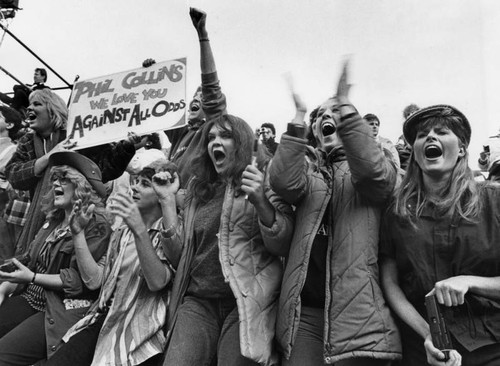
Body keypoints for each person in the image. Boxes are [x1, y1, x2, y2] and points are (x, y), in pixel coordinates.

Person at [163, 8, 294, 366]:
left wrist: (260, 202)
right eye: (210, 137)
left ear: (242, 142)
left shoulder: (261, 179)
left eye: (225, 135)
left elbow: (282, 243)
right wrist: (165, 206)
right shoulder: (196, 191)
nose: (214, 141)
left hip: (246, 301)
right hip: (197, 302)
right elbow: (179, 258)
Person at [269, 62, 401, 365]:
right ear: (315, 133)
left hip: (358, 317)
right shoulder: (309, 177)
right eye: (322, 116)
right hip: (305, 317)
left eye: (336, 113)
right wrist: (300, 118)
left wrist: (347, 109)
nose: (327, 116)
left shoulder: (377, 165)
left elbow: (373, 176)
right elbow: (282, 182)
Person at [380, 105, 500, 366]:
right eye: (422, 135)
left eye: (442, 131)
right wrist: (428, 335)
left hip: (491, 347)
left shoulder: (494, 201)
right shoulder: (397, 212)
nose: (430, 137)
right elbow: (391, 284)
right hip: (422, 349)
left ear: (461, 150)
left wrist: (470, 281)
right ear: (415, 153)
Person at [44, 157, 178, 366]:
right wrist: (77, 234)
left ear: (163, 192)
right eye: (134, 181)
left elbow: (157, 282)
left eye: (144, 183)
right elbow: (95, 281)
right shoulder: (121, 233)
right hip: (104, 319)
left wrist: (139, 231)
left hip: (137, 330)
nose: (134, 187)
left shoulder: (168, 234)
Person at [0, 151, 111, 365]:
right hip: (28, 297)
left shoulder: (96, 225)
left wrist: (32, 277)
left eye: (64, 179)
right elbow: (28, 260)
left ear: (82, 186)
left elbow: (80, 282)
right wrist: (5, 286)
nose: (56, 184)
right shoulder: (54, 218)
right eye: (54, 179)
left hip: (54, 307)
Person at [5, 88, 136, 252]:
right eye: (29, 105)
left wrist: (127, 147)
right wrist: (50, 156)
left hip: (75, 217)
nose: (29, 108)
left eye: (37, 104)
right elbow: (14, 175)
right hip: (39, 219)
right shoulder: (28, 140)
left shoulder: (78, 136)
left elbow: (106, 169)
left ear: (53, 110)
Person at [0, 105, 24, 259]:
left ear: (9, 125)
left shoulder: (13, 150)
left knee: (5, 255)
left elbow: (10, 186)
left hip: (3, 212)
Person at [395, 103, 419, 170]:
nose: (411, 115)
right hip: (408, 167)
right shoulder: (403, 137)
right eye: (408, 114)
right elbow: (399, 150)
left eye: (413, 113)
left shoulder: (426, 133)